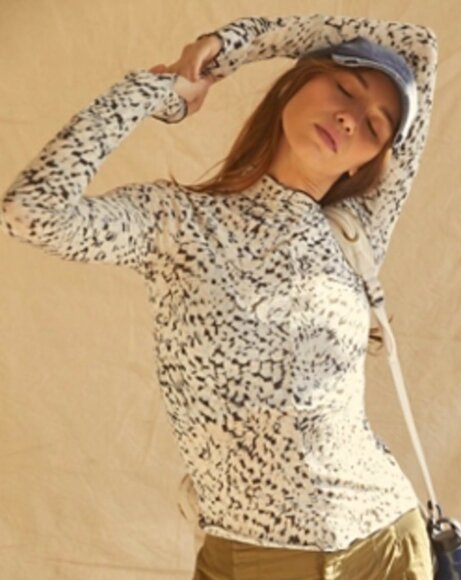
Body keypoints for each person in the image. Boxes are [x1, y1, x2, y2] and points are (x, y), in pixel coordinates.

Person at [0, 12, 437, 580]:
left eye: (375, 126)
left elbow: (419, 49)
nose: (350, 119)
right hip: (244, 548)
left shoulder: (356, 231)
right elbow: (31, 212)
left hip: (385, 542)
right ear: (297, 82)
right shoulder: (176, 222)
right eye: (344, 88)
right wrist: (171, 82)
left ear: (365, 164)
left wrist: (232, 47)